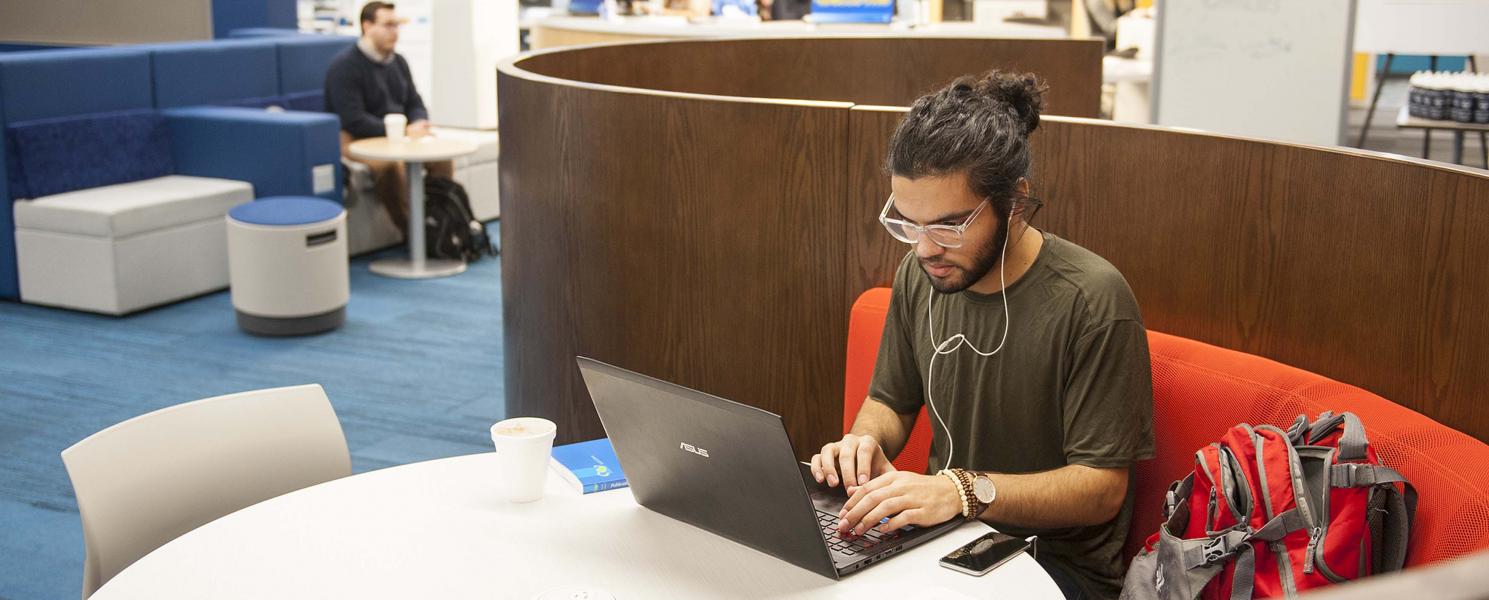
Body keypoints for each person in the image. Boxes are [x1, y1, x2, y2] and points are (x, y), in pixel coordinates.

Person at [811, 70, 1154, 599]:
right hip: (942, 544)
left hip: (1053, 570)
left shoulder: (1092, 300)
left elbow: (1101, 489)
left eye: (948, 226)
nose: (924, 248)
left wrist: (962, 491)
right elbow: (890, 399)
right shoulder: (919, 274)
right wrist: (865, 442)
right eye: (906, 222)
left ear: (1014, 203)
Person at [324, 1, 453, 232]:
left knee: (442, 158)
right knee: (392, 167)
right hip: (356, 140)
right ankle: (415, 234)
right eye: (388, 25)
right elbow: (353, 119)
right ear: (367, 26)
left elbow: (414, 101)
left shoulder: (398, 62)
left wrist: (417, 122)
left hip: (397, 136)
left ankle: (442, 224)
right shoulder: (344, 67)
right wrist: (402, 131)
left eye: (396, 25)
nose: (395, 31)